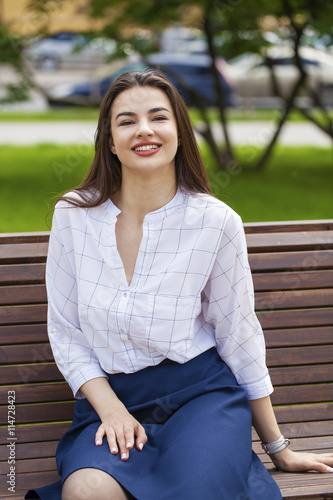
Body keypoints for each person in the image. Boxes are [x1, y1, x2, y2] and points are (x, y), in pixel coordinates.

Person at [26, 70, 333, 500]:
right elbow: (65, 329)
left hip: (199, 396)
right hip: (111, 400)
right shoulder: (73, 216)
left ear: (179, 133)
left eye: (158, 117)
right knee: (86, 489)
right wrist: (111, 410)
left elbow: (238, 333)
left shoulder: (215, 221)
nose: (144, 130)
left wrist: (277, 446)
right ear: (110, 141)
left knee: (196, 490)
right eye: (126, 121)